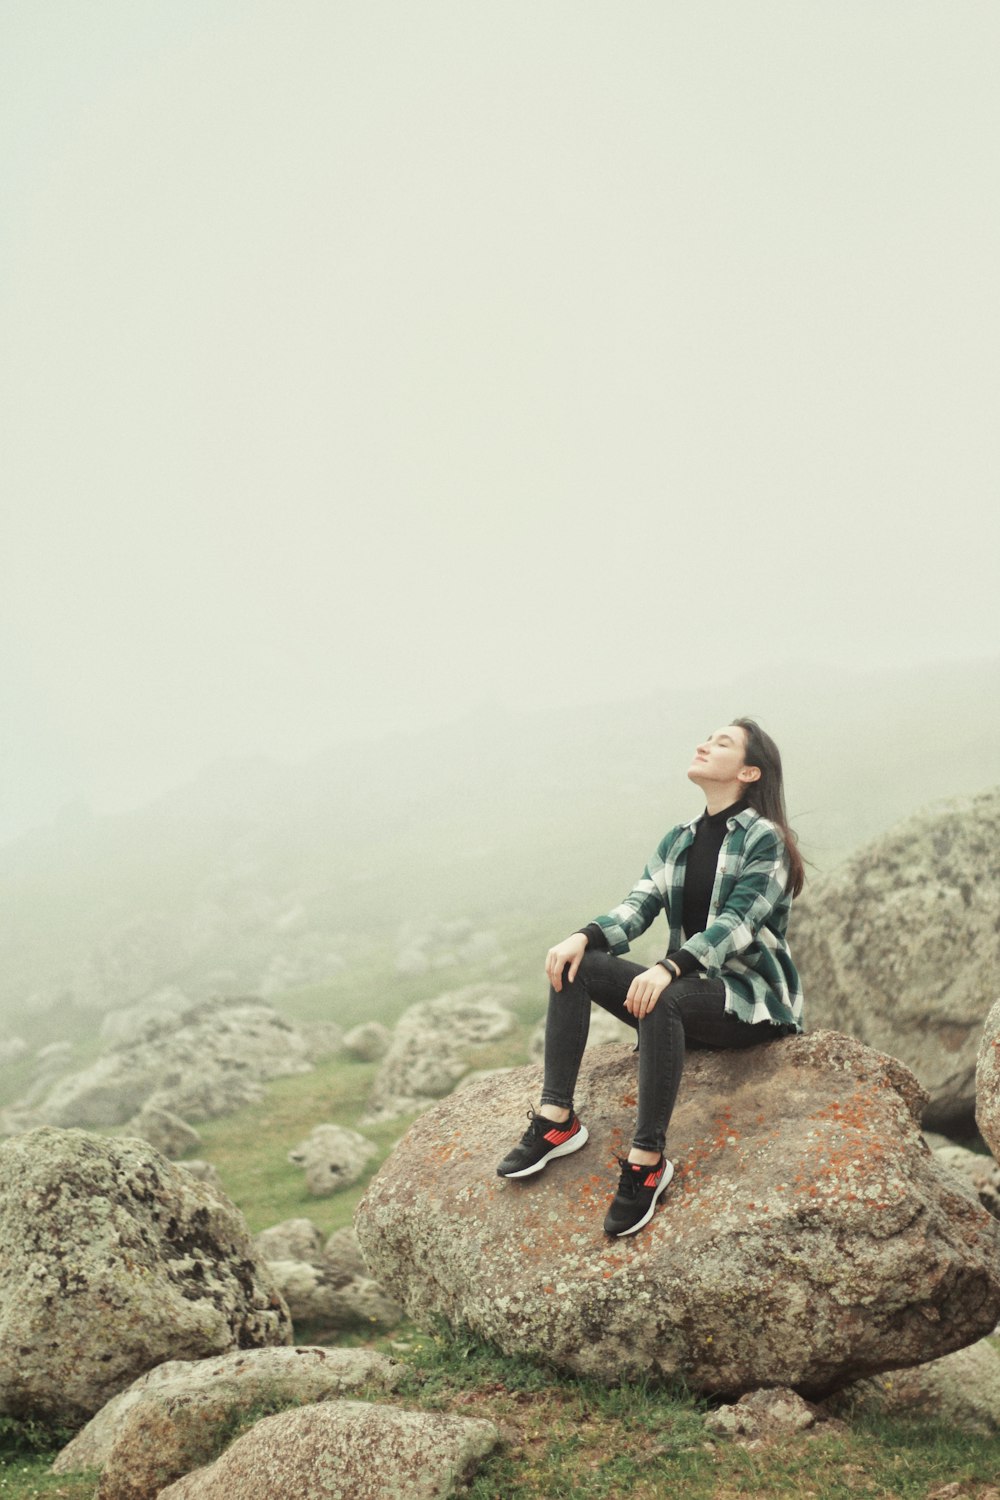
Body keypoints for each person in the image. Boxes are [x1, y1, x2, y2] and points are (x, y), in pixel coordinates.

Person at [496, 718, 805, 1238]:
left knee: (667, 999)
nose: (704, 745)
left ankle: (647, 1161)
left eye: (722, 743)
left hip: (749, 1000)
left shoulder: (766, 839)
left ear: (750, 772)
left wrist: (668, 967)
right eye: (707, 738)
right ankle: (557, 1121)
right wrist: (585, 936)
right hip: (688, 989)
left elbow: (738, 923)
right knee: (578, 967)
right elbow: (638, 906)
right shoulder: (679, 840)